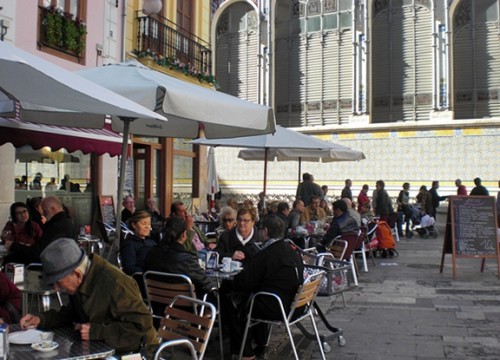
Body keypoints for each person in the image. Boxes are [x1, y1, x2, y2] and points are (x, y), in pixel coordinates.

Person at [19, 238, 157, 354]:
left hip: (136, 352)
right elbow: (70, 314)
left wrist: (96, 331)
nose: (56, 289)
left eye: (59, 283)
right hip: (102, 349)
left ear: (77, 274)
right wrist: (40, 319)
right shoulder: (83, 279)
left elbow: (141, 326)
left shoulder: (115, 283)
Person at [223, 215, 304, 359]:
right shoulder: (292, 250)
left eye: (260, 229)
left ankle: (245, 353)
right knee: (254, 298)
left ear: (265, 231)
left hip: (277, 307)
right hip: (296, 305)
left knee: (234, 302)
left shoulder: (268, 253)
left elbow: (244, 283)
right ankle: (260, 344)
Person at [144, 217, 216, 297]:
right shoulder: (187, 260)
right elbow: (207, 284)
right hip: (185, 305)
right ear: (184, 235)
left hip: (157, 303)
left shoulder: (151, 254)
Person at [6, 196, 77, 264]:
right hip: (59, 262)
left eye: (45, 211)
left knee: (10, 260)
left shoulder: (57, 226)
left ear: (53, 209)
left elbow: (39, 252)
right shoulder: (66, 222)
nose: (43, 213)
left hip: (53, 264)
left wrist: (15, 246)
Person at [120, 211, 156, 275]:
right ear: (134, 225)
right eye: (144, 223)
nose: (147, 227)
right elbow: (129, 268)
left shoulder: (152, 242)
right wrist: (148, 273)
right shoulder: (129, 244)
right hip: (143, 279)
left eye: (149, 224)